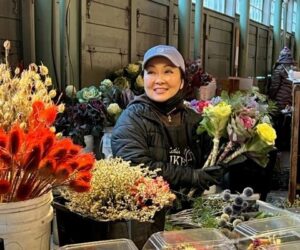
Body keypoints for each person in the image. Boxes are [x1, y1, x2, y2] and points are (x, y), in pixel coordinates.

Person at [111, 45, 225, 208]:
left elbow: (215, 158)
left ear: (182, 82)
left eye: (168, 71)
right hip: (148, 217)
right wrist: (192, 177)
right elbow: (135, 166)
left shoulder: (194, 119)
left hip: (192, 214)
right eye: (151, 72)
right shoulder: (132, 119)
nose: (159, 80)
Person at [268, 46, 295, 151]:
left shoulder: (279, 69)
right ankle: (287, 144)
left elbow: (274, 87)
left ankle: (277, 145)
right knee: (287, 122)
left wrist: (270, 98)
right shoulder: (294, 69)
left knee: (277, 122)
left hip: (279, 101)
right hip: (290, 101)